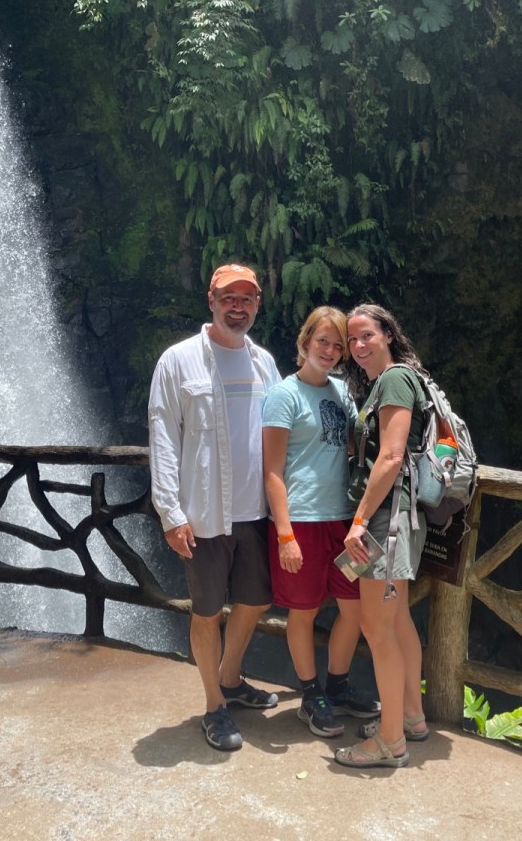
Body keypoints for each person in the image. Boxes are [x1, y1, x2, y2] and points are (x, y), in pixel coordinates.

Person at [148, 263, 282, 752]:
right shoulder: (178, 361)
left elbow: (283, 433)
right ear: (212, 301)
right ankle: (213, 705)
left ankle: (230, 677)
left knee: (257, 600)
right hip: (203, 515)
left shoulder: (264, 363)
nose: (237, 307)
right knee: (206, 612)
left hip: (257, 512)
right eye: (229, 298)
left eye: (247, 299)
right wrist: (170, 513)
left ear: (257, 305)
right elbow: (163, 437)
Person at [262, 307, 381, 738]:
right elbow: (272, 471)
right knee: (304, 610)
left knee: (355, 607)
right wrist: (285, 535)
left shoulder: (342, 392)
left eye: (337, 345)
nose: (329, 351)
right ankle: (312, 696)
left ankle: (338, 685)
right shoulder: (283, 395)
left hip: (344, 522)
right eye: (322, 341)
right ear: (305, 342)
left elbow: (354, 447)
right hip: (303, 521)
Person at [333, 304, 431, 769]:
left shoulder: (393, 380)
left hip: (385, 520)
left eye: (367, 335)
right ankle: (410, 717)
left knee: (377, 629)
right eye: (352, 339)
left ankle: (390, 741)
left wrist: (359, 520)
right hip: (399, 516)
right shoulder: (396, 379)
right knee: (398, 621)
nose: (358, 346)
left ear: (388, 334)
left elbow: (390, 458)